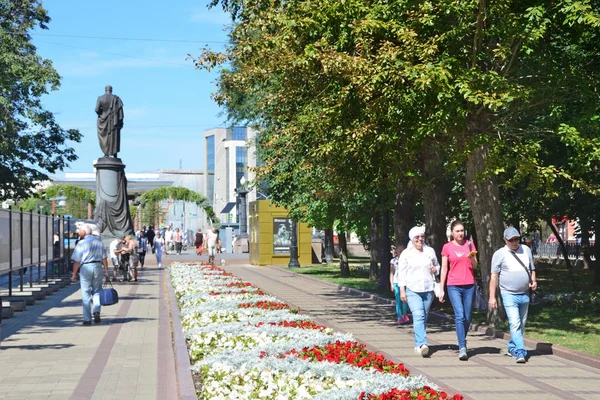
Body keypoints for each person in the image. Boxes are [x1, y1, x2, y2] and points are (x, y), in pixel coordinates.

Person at [489, 226, 537, 363]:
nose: (515, 242)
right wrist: (492, 297)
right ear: (505, 240)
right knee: (515, 323)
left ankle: (511, 347)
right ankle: (520, 352)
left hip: (525, 293)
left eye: (517, 239)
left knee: (521, 324)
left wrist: (534, 281)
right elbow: (494, 277)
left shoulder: (526, 250)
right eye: (511, 240)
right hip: (508, 294)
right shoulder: (499, 254)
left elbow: (532, 269)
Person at [438, 220, 478, 361]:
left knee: (467, 317)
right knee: (459, 315)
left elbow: (475, 266)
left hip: (469, 285)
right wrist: (441, 288)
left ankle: (462, 339)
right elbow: (444, 268)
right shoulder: (447, 247)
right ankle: (462, 347)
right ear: (452, 233)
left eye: (462, 231)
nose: (460, 233)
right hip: (453, 285)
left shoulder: (469, 244)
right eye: (457, 231)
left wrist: (472, 257)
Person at [398, 226, 440, 357]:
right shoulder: (406, 253)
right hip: (412, 289)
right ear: (412, 238)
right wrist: (402, 291)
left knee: (423, 317)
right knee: (418, 315)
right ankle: (423, 344)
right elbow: (401, 274)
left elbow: (437, 266)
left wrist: (435, 269)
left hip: (428, 289)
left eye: (422, 236)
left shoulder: (430, 251)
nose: (420, 239)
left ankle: (418, 344)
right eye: (417, 237)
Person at [70, 224, 110, 325]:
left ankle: (87, 319)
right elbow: (104, 257)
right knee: (97, 291)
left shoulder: (81, 243)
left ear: (84, 232)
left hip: (85, 267)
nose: (78, 232)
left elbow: (77, 261)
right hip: (97, 266)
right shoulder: (99, 242)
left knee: (86, 293)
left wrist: (74, 274)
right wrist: (106, 271)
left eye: (79, 230)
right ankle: (96, 310)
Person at [95, 85, 124, 158]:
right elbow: (120, 112)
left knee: (105, 136)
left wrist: (102, 113)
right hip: (114, 121)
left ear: (105, 90)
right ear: (111, 90)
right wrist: (120, 121)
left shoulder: (100, 98)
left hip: (104, 120)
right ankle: (114, 154)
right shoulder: (116, 99)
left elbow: (97, 110)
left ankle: (106, 153)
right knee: (114, 136)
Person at [390, 247, 410, 324]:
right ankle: (399, 316)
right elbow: (391, 273)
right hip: (396, 282)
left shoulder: (407, 260)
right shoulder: (394, 261)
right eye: (399, 252)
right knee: (398, 300)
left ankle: (405, 314)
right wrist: (391, 283)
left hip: (405, 282)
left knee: (405, 300)